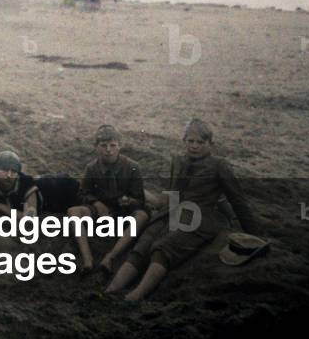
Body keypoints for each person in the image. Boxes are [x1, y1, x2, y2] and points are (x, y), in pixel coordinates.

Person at [106, 118, 261, 301]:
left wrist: (255, 233)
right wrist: (160, 214)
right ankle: (112, 289)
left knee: (164, 248)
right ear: (184, 141)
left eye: (200, 142)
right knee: (144, 243)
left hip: (200, 217)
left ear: (211, 144)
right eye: (190, 141)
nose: (194, 146)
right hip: (173, 212)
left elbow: (238, 201)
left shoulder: (219, 165)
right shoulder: (178, 161)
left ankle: (135, 295)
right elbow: (173, 193)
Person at [66, 125, 147, 272]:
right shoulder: (92, 168)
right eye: (103, 145)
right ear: (96, 147)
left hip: (123, 214)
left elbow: (140, 200)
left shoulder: (132, 167)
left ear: (119, 146)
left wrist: (129, 201)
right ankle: (87, 259)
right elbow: (82, 193)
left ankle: (111, 257)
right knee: (73, 211)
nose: (108, 149)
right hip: (100, 213)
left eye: (113, 145)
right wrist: (96, 203)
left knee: (141, 216)